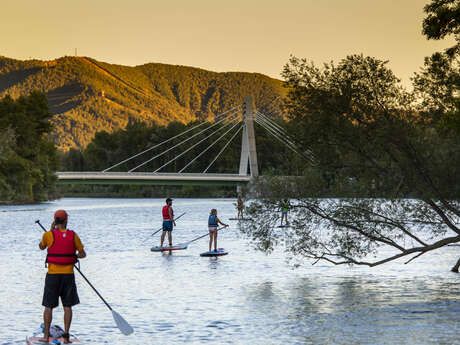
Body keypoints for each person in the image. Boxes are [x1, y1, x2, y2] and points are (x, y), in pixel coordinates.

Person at [39, 209, 86, 344]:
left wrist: (49, 231)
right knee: (67, 306)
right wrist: (73, 257)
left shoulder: (48, 235)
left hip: (53, 276)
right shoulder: (73, 235)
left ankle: (46, 337)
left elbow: (41, 247)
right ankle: (66, 338)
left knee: (48, 306)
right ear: (66, 221)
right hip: (68, 276)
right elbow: (83, 254)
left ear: (55, 221)